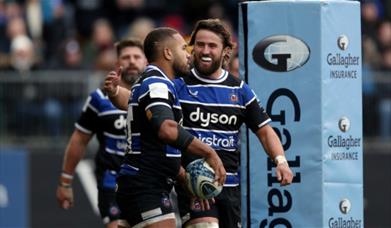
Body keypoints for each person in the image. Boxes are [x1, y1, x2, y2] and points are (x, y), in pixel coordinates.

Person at [104, 19, 293, 228]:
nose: (205, 50)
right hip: (192, 184)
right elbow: (140, 103)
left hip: (229, 187)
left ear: (225, 51)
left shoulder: (239, 90)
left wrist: (281, 161)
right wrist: (114, 93)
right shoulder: (177, 83)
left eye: (212, 46)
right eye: (199, 44)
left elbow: (265, 131)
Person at [112, 27, 226, 228]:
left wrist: (188, 182)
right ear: (168, 52)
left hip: (144, 184)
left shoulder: (154, 82)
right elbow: (167, 129)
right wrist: (209, 152)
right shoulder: (157, 84)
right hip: (145, 186)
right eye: (183, 48)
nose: (188, 54)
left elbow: (161, 147)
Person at [56, 38, 147, 228]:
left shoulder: (156, 96)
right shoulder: (99, 99)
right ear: (117, 64)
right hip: (111, 181)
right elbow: (79, 139)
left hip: (148, 180)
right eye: (126, 57)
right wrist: (65, 182)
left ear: (146, 62)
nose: (131, 61)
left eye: (137, 57)